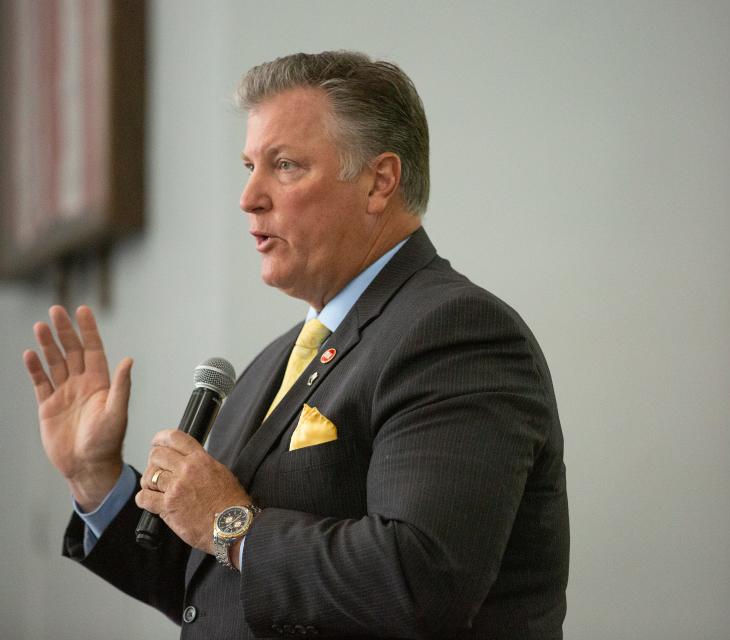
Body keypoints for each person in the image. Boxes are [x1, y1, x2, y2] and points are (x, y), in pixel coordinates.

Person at [23, 51, 568, 639]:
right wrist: (95, 477)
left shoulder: (456, 332)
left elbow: (420, 580)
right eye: (249, 165)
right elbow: (206, 588)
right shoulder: (272, 363)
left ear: (379, 182)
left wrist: (233, 527)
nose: (249, 197)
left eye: (284, 166)